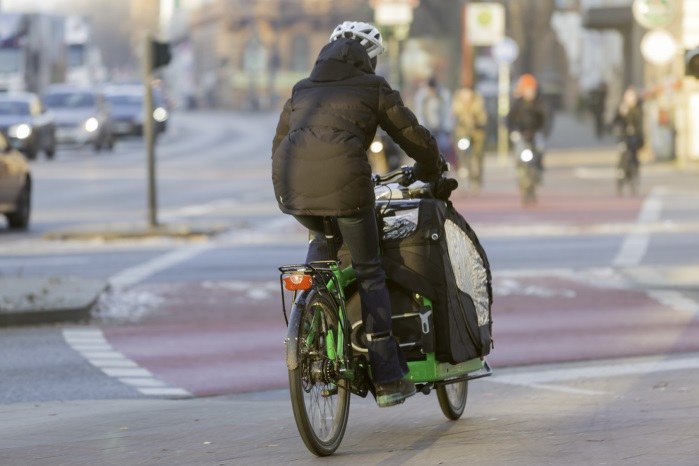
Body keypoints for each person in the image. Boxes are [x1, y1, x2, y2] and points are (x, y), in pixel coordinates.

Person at [272, 21, 443, 408]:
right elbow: (410, 133)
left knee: (322, 244)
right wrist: (434, 166)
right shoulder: (372, 88)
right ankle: (386, 377)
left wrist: (286, 192)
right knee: (369, 271)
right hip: (348, 189)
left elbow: (279, 144)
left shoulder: (303, 89)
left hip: (292, 190)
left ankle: (313, 327)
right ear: (369, 58)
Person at [507, 73, 548, 169]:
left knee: (540, 147)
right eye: (527, 90)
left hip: (536, 131)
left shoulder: (540, 103)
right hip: (521, 132)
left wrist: (543, 132)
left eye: (531, 90)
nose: (529, 92)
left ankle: (539, 166)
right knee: (519, 150)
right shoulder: (517, 104)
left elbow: (547, 118)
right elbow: (509, 119)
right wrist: (513, 131)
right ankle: (519, 168)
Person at [452, 85, 488, 192]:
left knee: (477, 156)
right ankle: (463, 174)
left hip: (477, 134)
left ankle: (477, 181)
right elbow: (454, 117)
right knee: (462, 154)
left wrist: (478, 124)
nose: (466, 96)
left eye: (468, 93)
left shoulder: (478, 103)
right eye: (464, 93)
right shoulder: (457, 105)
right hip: (463, 134)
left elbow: (483, 118)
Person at [414, 75, 454, 166]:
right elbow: (419, 113)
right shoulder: (421, 97)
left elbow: (448, 112)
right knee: (428, 149)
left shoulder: (444, 95)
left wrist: (448, 128)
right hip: (427, 128)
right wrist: (421, 129)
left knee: (444, 147)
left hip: (441, 128)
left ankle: (443, 166)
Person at [611, 86, 644, 194]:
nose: (631, 99)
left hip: (634, 138)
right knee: (623, 157)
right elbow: (615, 122)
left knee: (634, 158)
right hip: (623, 137)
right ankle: (620, 177)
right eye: (629, 96)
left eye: (633, 96)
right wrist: (621, 113)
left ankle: (634, 177)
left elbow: (640, 124)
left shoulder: (638, 109)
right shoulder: (621, 107)